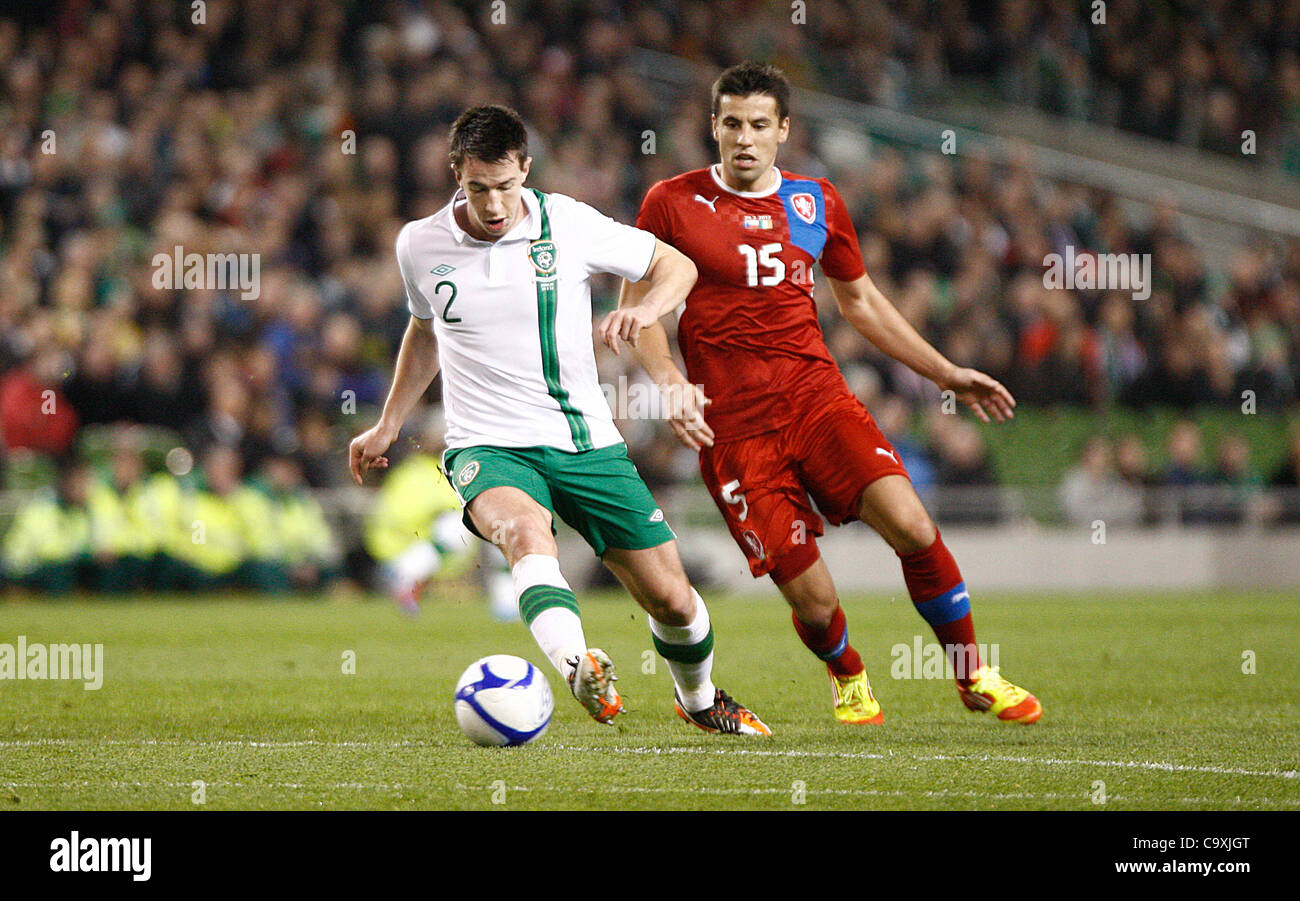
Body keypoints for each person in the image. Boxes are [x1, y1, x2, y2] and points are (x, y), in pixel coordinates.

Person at [607, 62, 1040, 724]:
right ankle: (848, 671)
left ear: (783, 129)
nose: (744, 138)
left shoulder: (816, 201)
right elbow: (637, 315)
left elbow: (861, 302)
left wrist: (944, 371)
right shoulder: (672, 201)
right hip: (735, 431)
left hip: (817, 400)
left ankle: (974, 672)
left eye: (758, 125)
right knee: (811, 596)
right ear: (713, 127)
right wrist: (671, 383)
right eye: (731, 124)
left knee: (915, 526)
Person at [349, 105, 769, 735]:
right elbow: (424, 330)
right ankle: (578, 664)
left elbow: (676, 265)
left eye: (505, 187)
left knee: (673, 601)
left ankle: (700, 698)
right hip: (486, 445)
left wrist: (646, 309)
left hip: (585, 440)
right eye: (477, 189)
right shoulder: (419, 243)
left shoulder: (568, 223)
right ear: (456, 175)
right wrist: (388, 424)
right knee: (522, 533)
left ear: (525, 168)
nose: (493, 205)